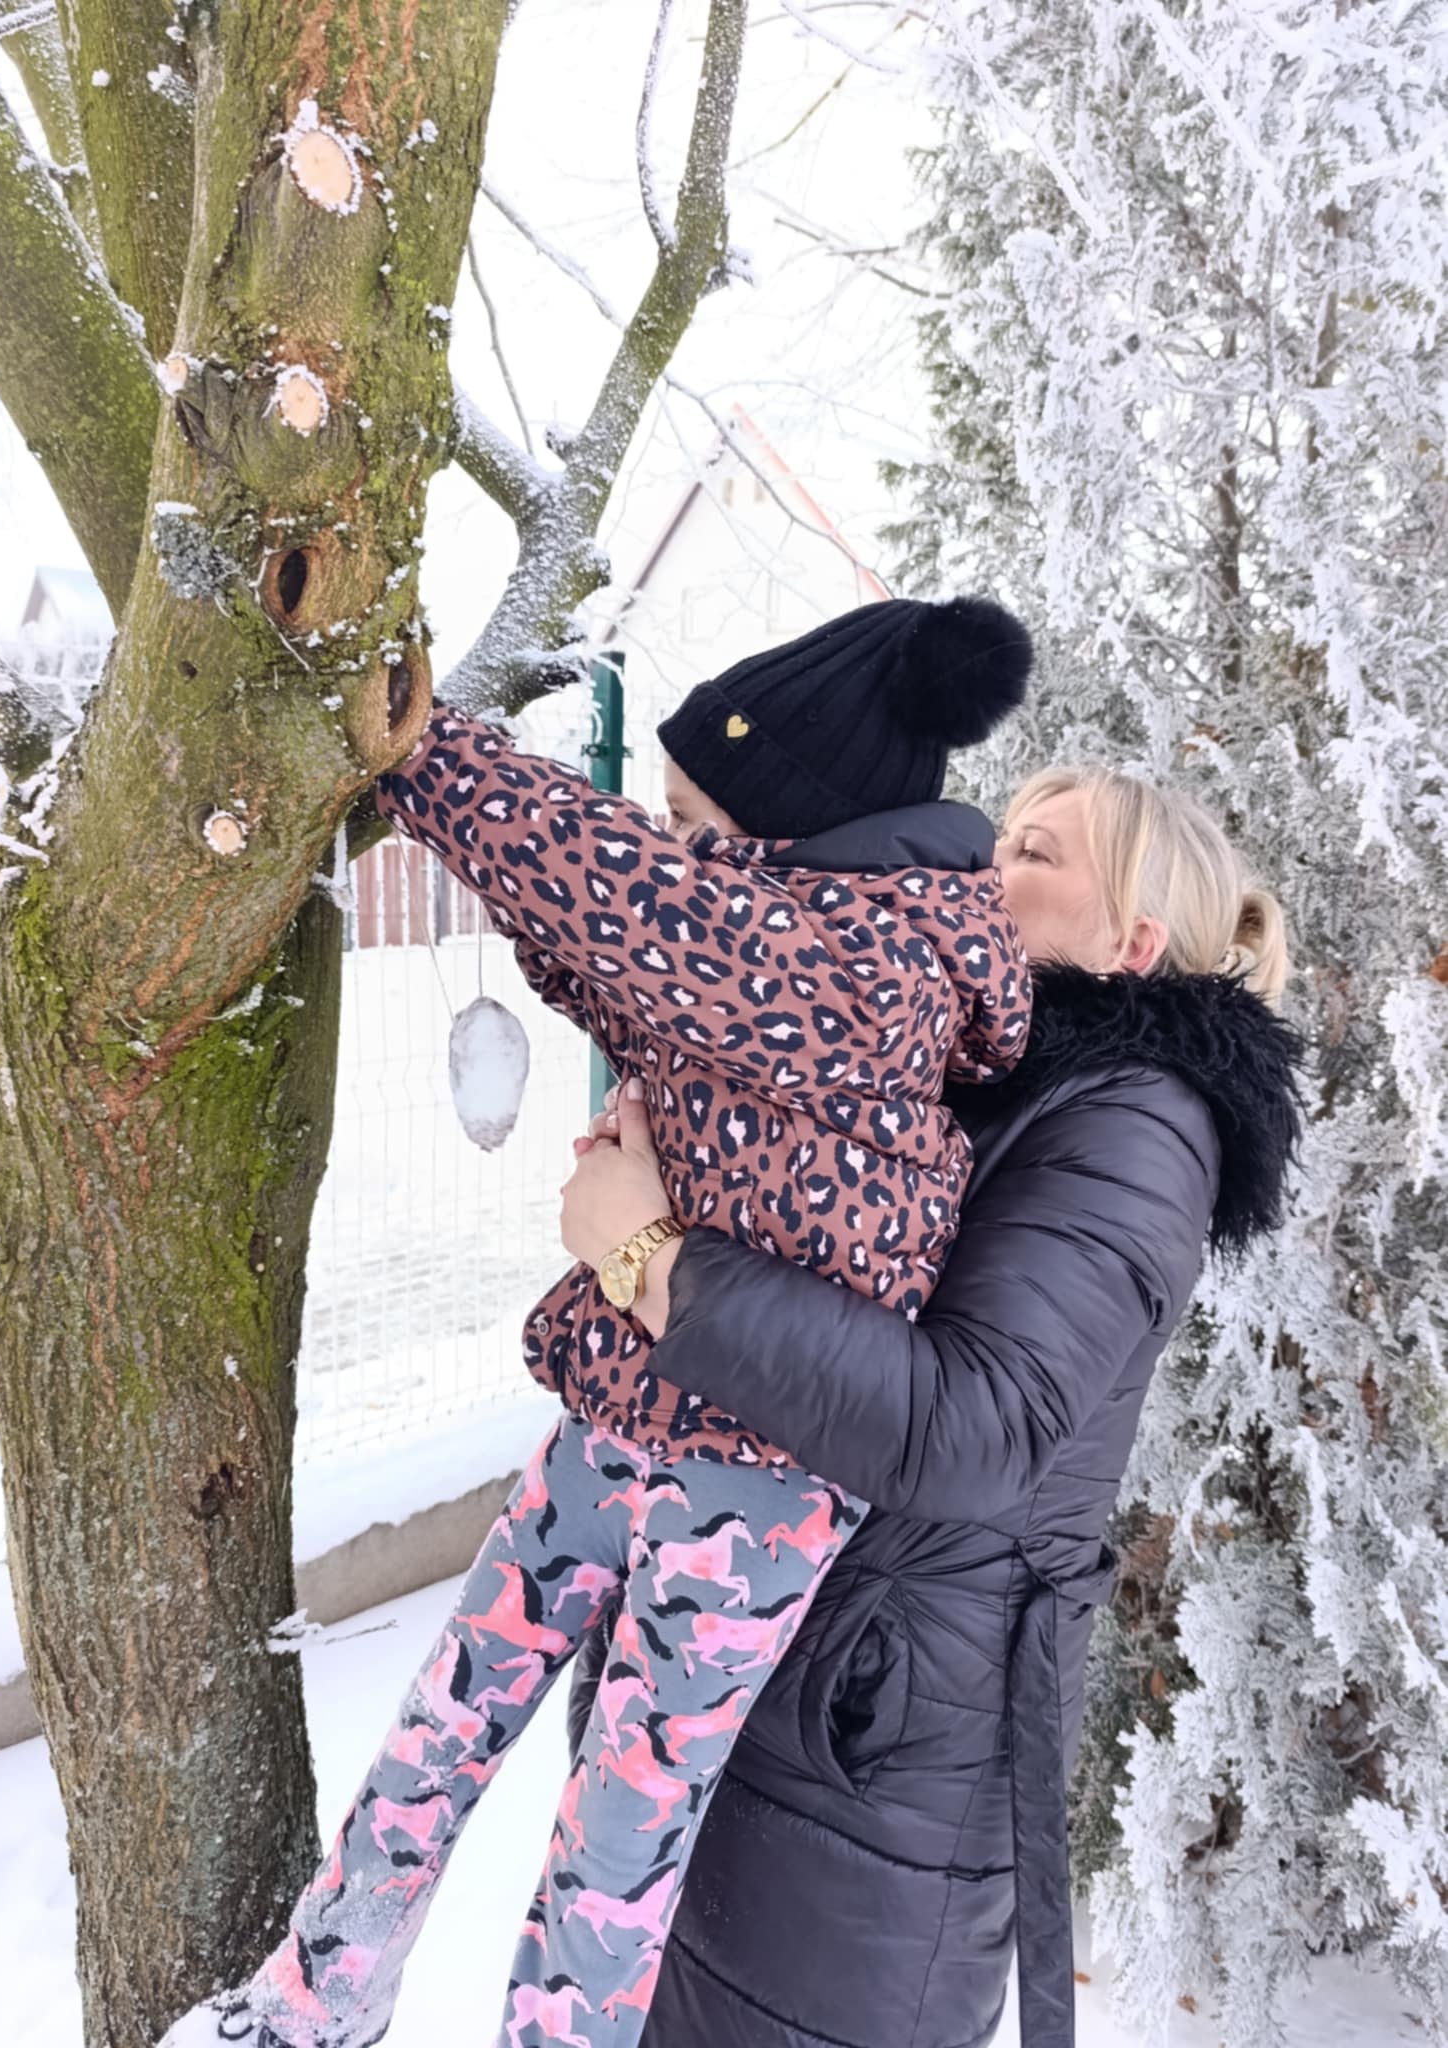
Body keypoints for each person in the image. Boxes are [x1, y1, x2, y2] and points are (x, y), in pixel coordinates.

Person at [158, 595, 1035, 2048]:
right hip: (620, 1413)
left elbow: (622, 898)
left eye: (693, 823)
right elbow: (619, 946)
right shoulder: (765, 949)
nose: (668, 843)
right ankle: (313, 2001)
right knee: (444, 1719)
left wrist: (429, 755)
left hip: (755, 1488)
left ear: (787, 830)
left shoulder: (866, 964)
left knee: (620, 1841)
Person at [556, 764, 1303, 2048]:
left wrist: (657, 1260)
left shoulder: (1140, 1125)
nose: (982, 869)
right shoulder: (955, 1058)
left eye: (1034, 854)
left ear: (1130, 944)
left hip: (867, 1755)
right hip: (767, 1672)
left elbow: (975, 1426)